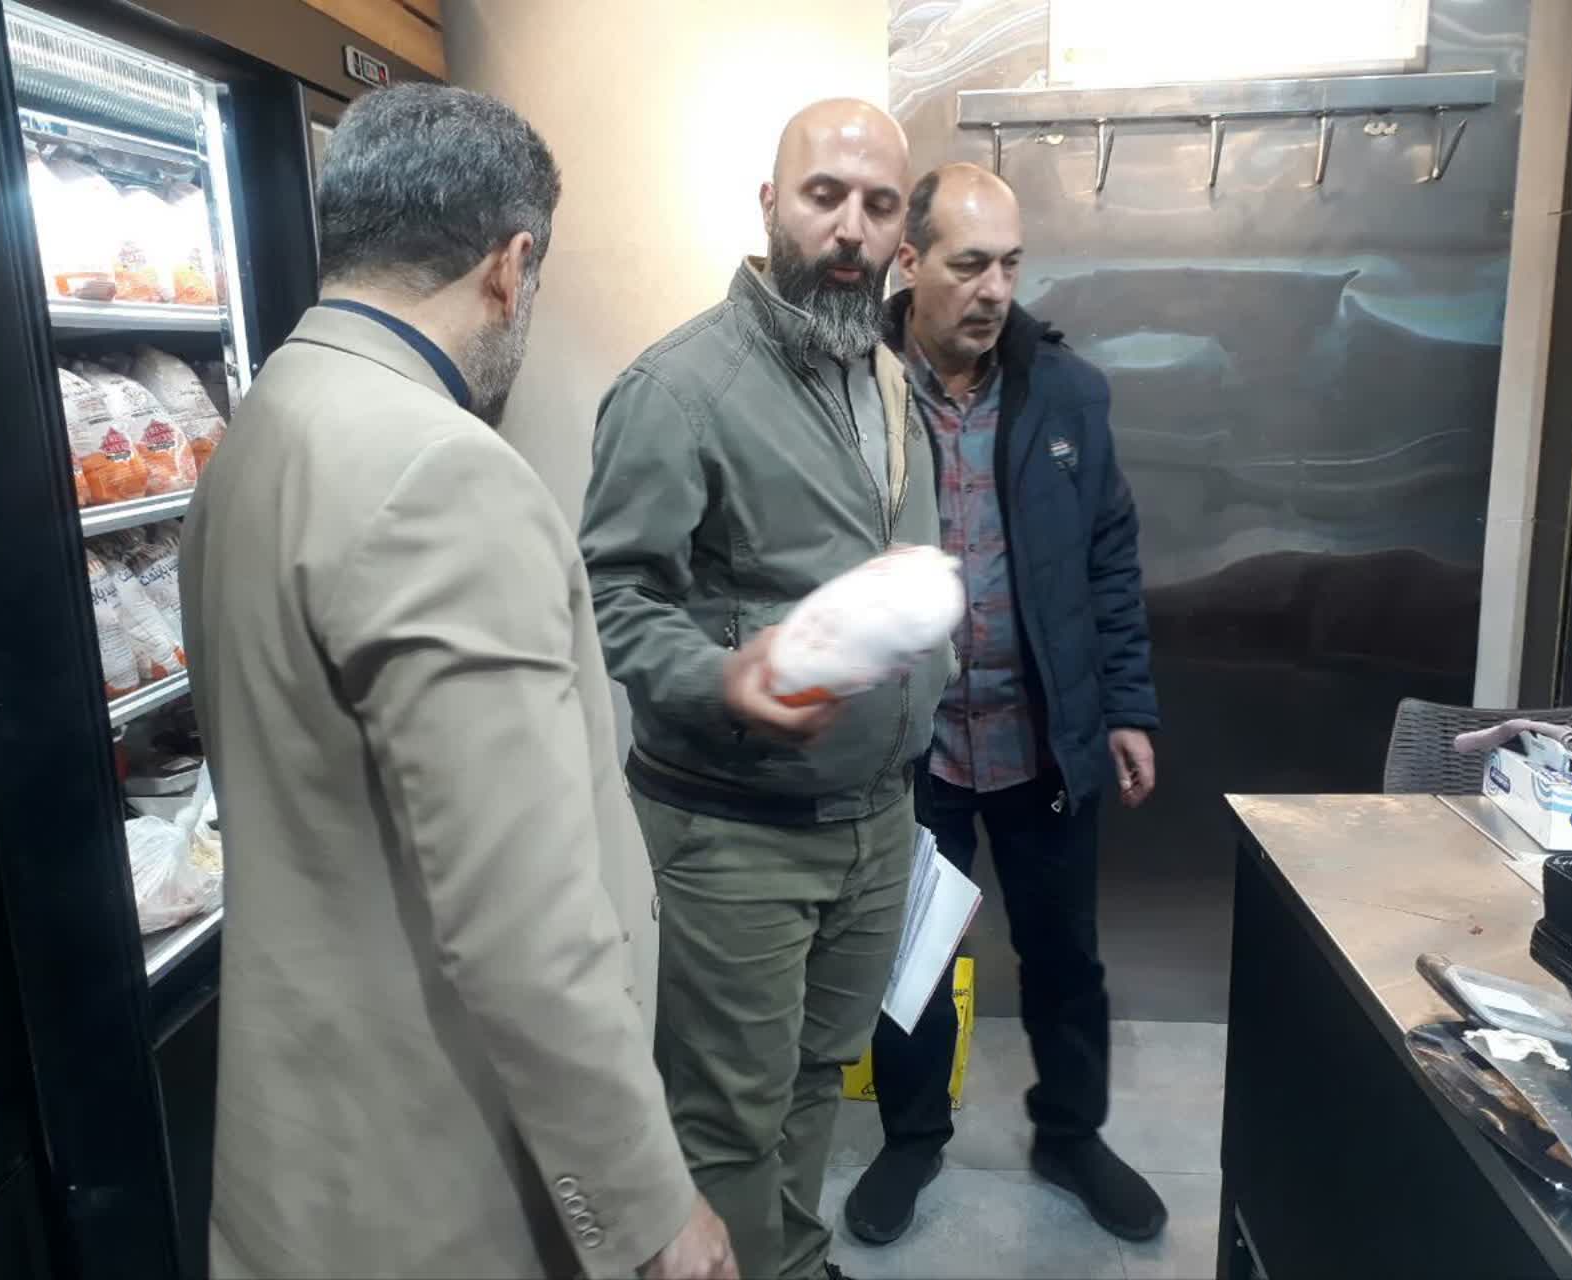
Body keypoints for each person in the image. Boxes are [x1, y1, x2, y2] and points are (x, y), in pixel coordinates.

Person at [181, 84, 733, 1280]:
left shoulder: (260, 425)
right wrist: (649, 1206)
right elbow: (521, 917)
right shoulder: (440, 470)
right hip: (440, 1180)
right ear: (510, 264)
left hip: (301, 1155)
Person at [578, 98, 954, 1280]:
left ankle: (788, 1255)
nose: (849, 227)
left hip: (875, 820)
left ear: (900, 236)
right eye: (823, 195)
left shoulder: (887, 379)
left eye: (877, 205)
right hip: (734, 830)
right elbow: (612, 595)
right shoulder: (678, 386)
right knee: (728, 1114)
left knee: (815, 1076)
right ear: (770, 205)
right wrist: (721, 679)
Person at [842, 163, 1165, 1248]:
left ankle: (1071, 1135)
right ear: (909, 261)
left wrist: (1128, 707)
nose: (994, 290)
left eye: (1011, 265)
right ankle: (911, 1137)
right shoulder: (849, 384)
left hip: (1042, 738)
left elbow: (1109, 558)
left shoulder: (1067, 393)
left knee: (1065, 954)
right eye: (970, 264)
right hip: (911, 743)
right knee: (913, 955)